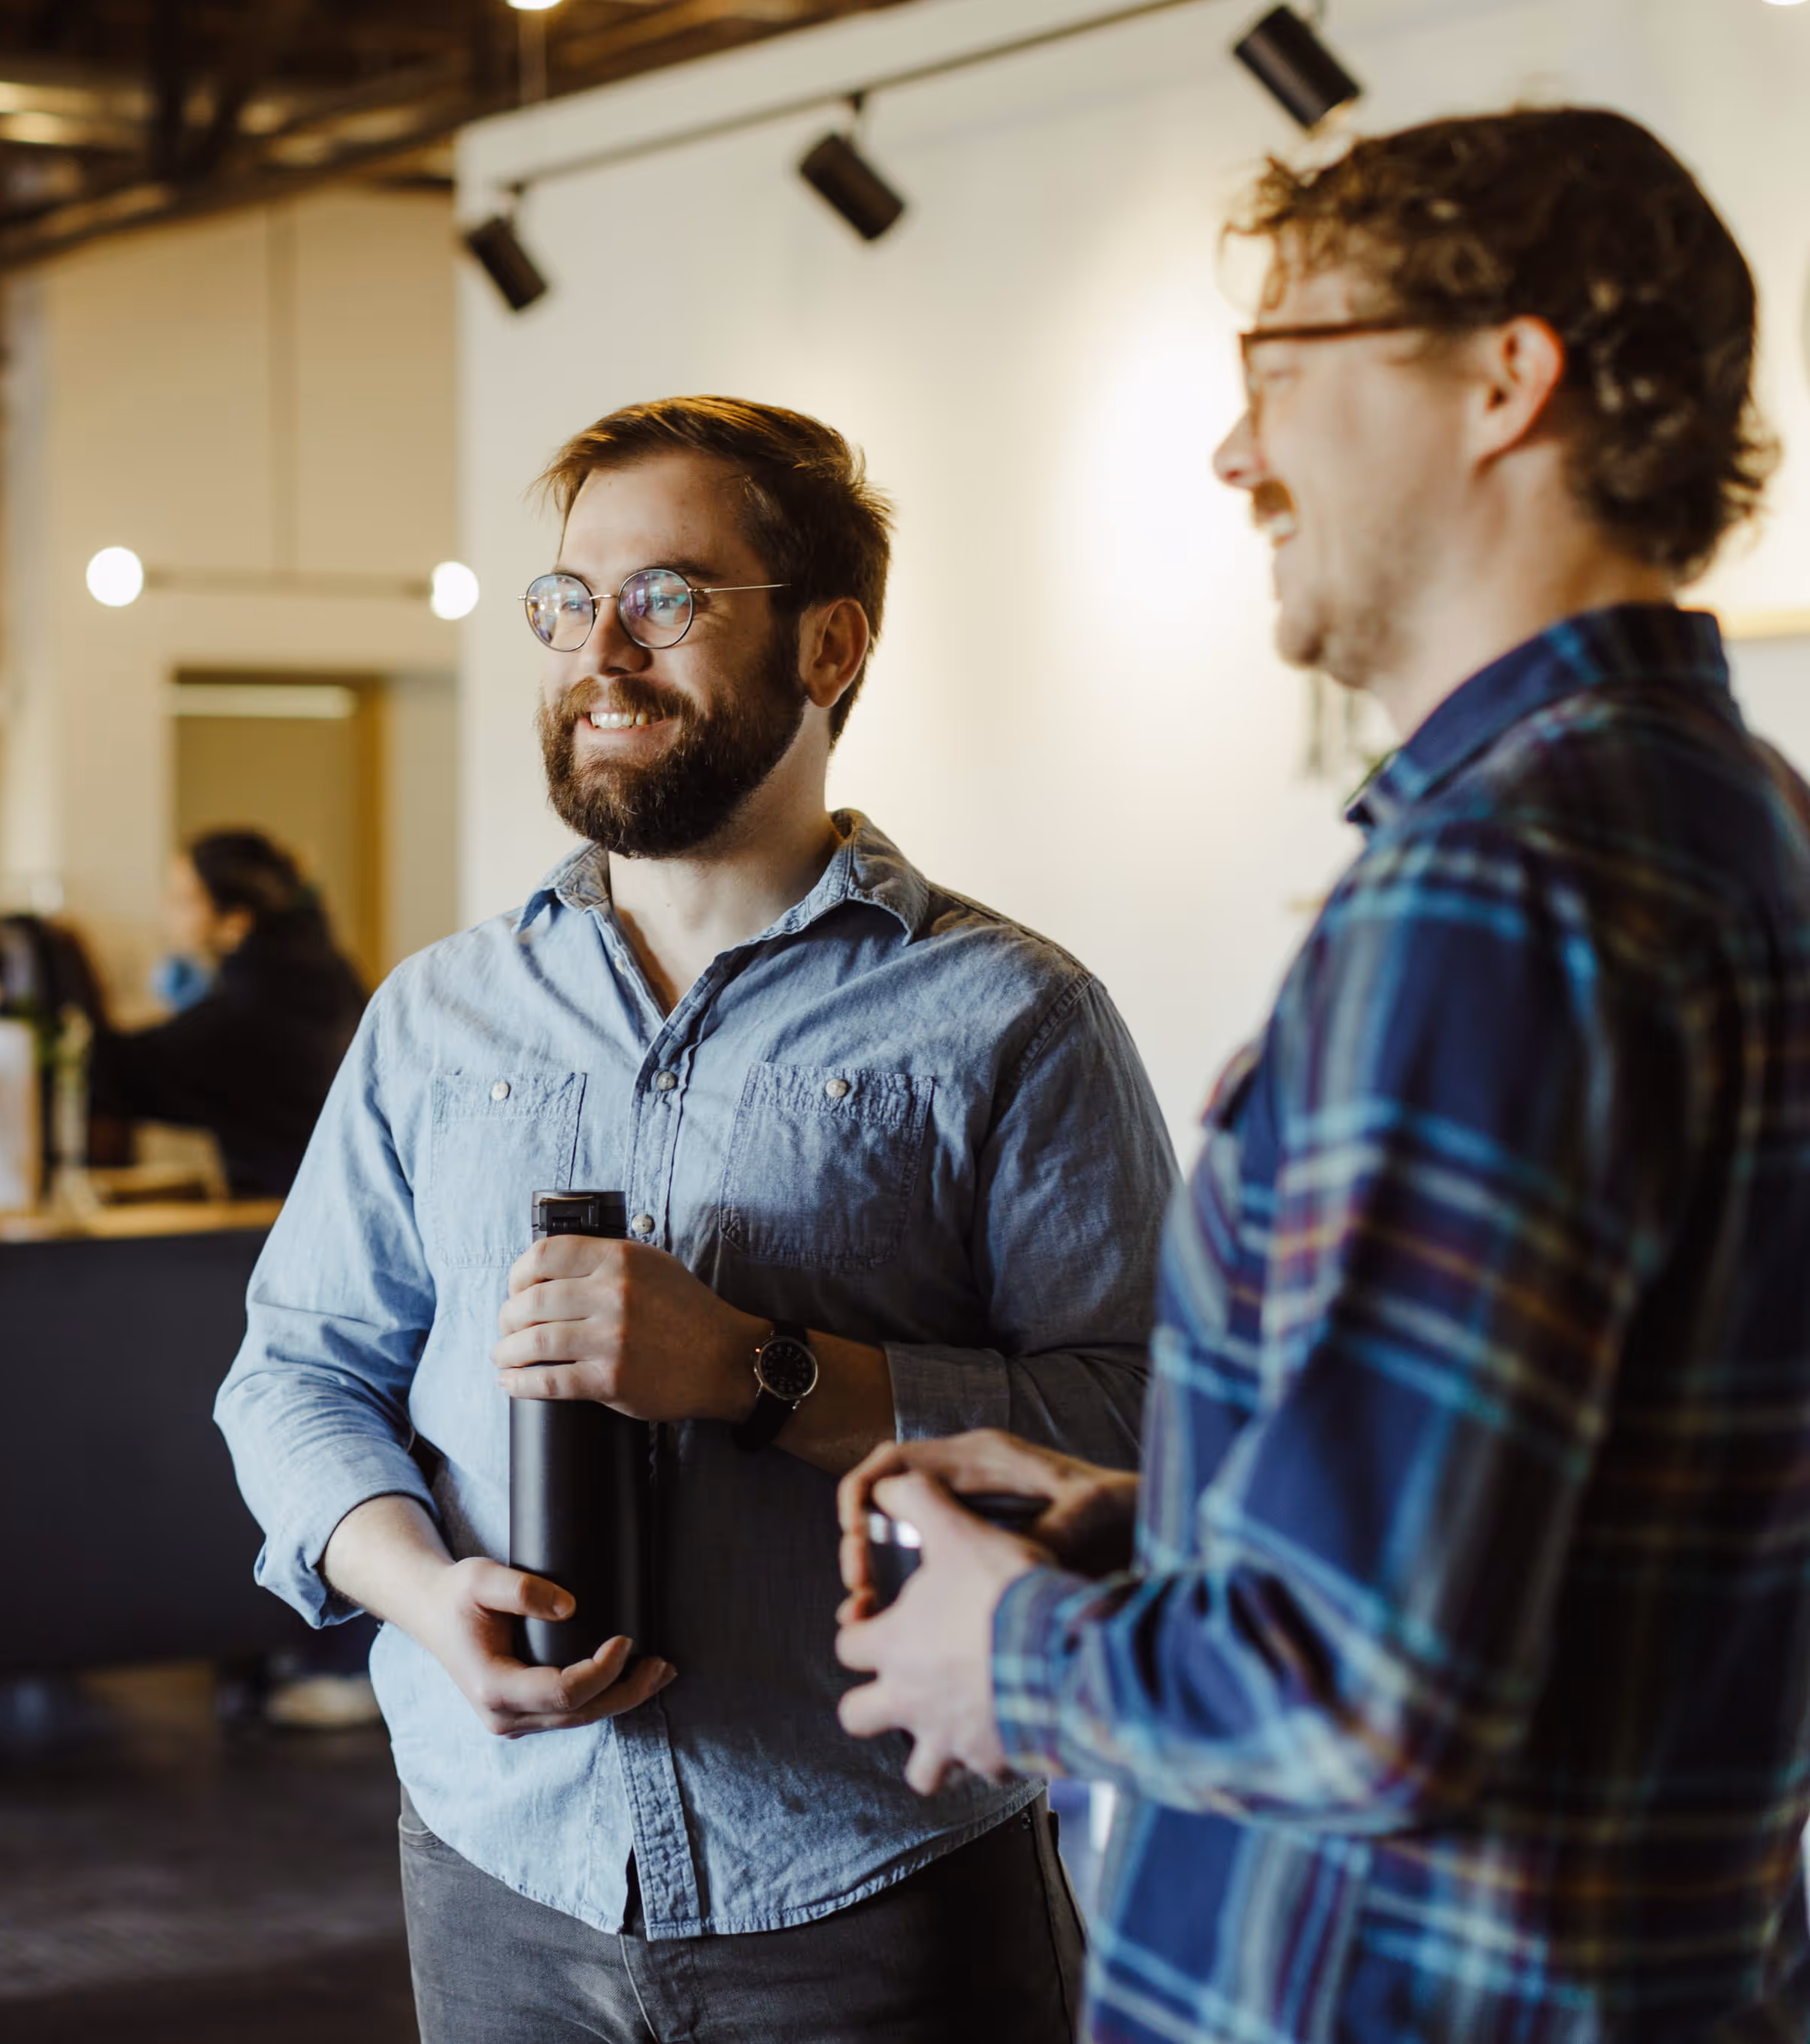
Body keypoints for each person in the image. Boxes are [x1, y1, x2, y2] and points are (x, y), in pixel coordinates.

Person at [832, 109, 1810, 2041]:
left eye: (1278, 368)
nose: (1230, 449)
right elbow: (1560, 1546)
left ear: (1503, 379)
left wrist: (1001, 1651)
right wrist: (1157, 1522)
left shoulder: (1499, 894)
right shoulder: (1716, 814)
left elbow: (1358, 1697)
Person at [216, 395, 1180, 2040]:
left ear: (828, 643)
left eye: (663, 598)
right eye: (564, 603)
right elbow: (293, 1372)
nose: (598, 649)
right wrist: (422, 1594)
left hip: (873, 1887)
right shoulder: (439, 1015)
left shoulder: (1007, 1018)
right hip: (494, 1870)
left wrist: (758, 1370)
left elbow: (1137, 1429)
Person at [88, 829, 370, 1198]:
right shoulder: (328, 972)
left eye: (181, 899)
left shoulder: (255, 1006)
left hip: (290, 1220)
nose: (165, 909)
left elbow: (104, 1072)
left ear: (236, 919)